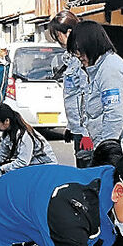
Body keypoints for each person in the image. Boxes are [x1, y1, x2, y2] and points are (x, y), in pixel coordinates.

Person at [66, 21, 123, 161]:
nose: (78, 56)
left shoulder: (109, 69)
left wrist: (105, 152)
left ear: (91, 45)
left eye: (79, 50)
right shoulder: (96, 69)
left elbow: (115, 115)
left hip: (120, 147)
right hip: (106, 144)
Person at [46, 11, 89, 167]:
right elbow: (72, 95)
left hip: (87, 131)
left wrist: (86, 133)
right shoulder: (71, 57)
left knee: (88, 173)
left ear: (69, 32)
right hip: (77, 127)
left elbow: (87, 96)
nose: (58, 40)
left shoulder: (81, 57)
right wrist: (71, 126)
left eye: (58, 36)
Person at [0, 103, 57, 176]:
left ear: (7, 121)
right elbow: (1, 156)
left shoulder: (24, 135)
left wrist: (0, 169)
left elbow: (22, 162)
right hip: (33, 164)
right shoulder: (8, 134)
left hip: (46, 167)